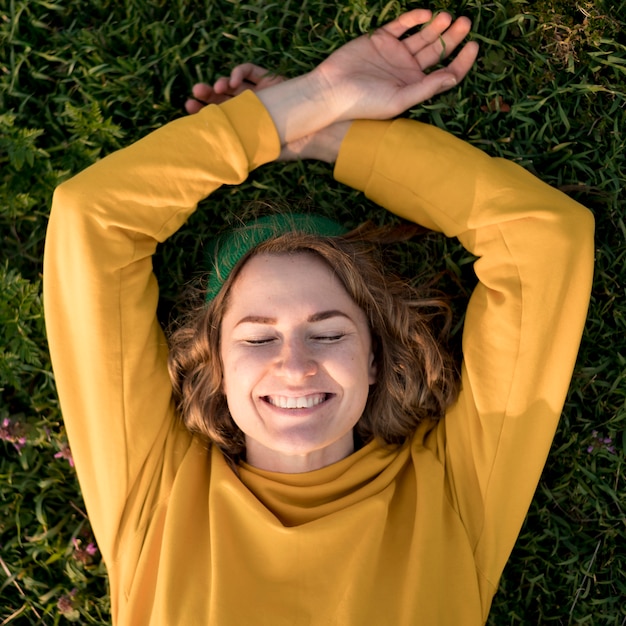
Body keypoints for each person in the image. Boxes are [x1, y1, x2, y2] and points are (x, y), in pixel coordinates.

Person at [43, 8, 594, 626]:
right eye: (257, 338)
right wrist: (318, 102)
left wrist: (312, 129)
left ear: (376, 359)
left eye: (329, 332)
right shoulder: (156, 495)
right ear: (215, 367)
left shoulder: (450, 495)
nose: (295, 365)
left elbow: (547, 241)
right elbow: (89, 217)